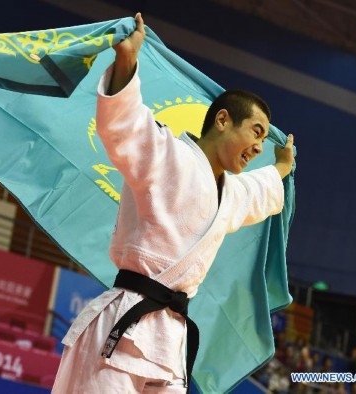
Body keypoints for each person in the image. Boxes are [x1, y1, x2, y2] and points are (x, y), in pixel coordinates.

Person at [52, 12, 294, 393]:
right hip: (124, 322)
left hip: (170, 339)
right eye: (256, 131)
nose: (260, 146)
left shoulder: (230, 193)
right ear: (223, 120)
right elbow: (125, 126)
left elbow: (259, 190)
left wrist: (281, 167)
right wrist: (127, 63)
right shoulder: (166, 154)